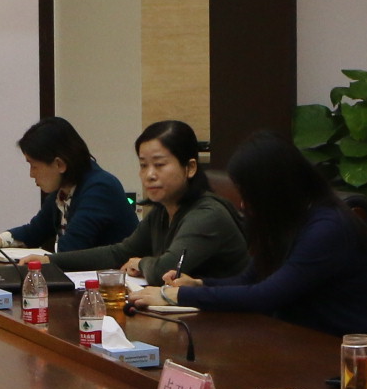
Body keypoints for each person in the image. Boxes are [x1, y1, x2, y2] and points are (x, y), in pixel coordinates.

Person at [128, 131, 367, 335]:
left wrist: (176, 295)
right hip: (297, 340)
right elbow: (250, 279)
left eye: (249, 194)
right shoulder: (287, 220)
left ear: (274, 190)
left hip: (348, 352)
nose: (243, 204)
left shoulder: (328, 228)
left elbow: (266, 296)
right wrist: (200, 285)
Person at [47, 119, 248, 282]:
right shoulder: (162, 211)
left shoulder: (208, 214)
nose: (149, 175)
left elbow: (166, 269)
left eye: (159, 165)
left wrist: (141, 263)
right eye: (144, 165)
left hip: (230, 316)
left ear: (190, 168)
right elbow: (120, 253)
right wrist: (50, 261)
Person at [2, 117, 137, 255]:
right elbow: (34, 232)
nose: (31, 174)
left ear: (59, 164)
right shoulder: (64, 189)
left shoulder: (100, 188)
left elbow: (72, 250)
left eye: (34, 166)